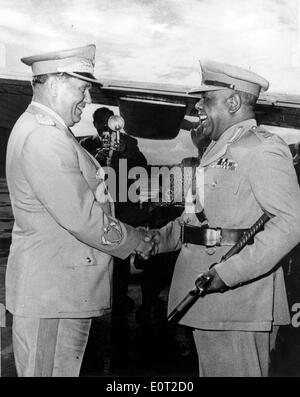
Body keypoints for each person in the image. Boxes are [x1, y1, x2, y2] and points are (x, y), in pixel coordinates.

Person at [5, 44, 154, 377]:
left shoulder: (51, 132)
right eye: (82, 87)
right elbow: (83, 218)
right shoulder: (44, 137)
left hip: (58, 291)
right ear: (56, 82)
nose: (88, 98)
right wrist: (136, 241)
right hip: (53, 297)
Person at [149, 60, 300, 376]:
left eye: (206, 99)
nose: (198, 106)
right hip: (209, 295)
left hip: (237, 299)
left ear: (233, 102)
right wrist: (157, 240)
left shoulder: (262, 149)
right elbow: (195, 220)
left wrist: (228, 273)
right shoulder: (214, 150)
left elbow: (291, 222)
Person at [81, 107, 149, 315]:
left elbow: (143, 171)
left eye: (107, 123)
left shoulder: (129, 144)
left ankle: (119, 297)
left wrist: (126, 154)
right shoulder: (87, 145)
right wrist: (98, 157)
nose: (104, 128)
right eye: (99, 124)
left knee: (120, 257)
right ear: (94, 125)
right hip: (96, 208)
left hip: (122, 207)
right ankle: (93, 298)